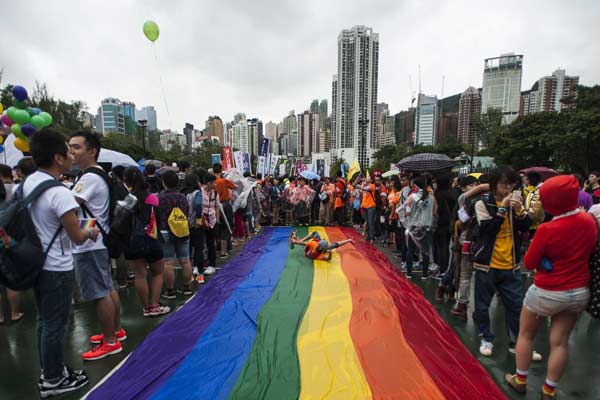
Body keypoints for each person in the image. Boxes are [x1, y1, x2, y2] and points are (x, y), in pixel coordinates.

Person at [505, 175, 597, 399]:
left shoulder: (547, 229)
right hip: (578, 292)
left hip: (547, 291)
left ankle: (520, 379)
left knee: (526, 335)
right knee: (560, 342)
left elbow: (528, 262)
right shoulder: (589, 221)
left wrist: (546, 260)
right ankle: (549, 389)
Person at [28, 129, 101, 397]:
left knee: (44, 323)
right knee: (56, 325)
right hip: (56, 267)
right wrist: (91, 231)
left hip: (35, 263)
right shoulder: (59, 192)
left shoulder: (29, 183)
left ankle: (51, 370)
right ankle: (54, 379)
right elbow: (76, 236)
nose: (72, 155)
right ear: (58, 157)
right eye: (68, 151)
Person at [471, 166, 540, 360]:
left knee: (516, 305)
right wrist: (502, 209)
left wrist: (519, 211)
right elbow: (487, 230)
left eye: (511, 185)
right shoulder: (483, 203)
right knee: (483, 305)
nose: (508, 189)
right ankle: (486, 337)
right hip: (487, 263)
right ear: (494, 185)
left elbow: (526, 225)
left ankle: (517, 342)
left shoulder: (515, 203)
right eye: (504, 185)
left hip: (511, 264)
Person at [68, 132, 125, 361]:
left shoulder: (89, 178)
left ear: (91, 151)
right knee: (107, 288)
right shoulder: (97, 174)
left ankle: (110, 342)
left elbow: (67, 204)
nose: (71, 152)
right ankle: (114, 331)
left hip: (90, 242)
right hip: (98, 239)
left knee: (100, 293)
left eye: (76, 147)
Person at [122, 167, 170, 317]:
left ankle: (146, 308)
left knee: (139, 275)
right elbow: (158, 218)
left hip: (133, 241)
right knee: (157, 273)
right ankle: (155, 305)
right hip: (151, 239)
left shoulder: (128, 199)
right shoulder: (152, 198)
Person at [158, 170, 193, 299]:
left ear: (163, 182)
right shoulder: (183, 197)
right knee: (185, 260)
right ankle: (187, 288)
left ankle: (170, 291)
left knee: (168, 262)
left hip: (165, 231)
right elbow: (187, 212)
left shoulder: (160, 198)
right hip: (183, 230)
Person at [404, 176, 437, 279]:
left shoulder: (412, 197)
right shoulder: (431, 197)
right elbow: (434, 212)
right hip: (426, 226)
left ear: (415, 186)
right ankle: (425, 274)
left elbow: (407, 212)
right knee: (425, 250)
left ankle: (409, 273)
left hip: (413, 226)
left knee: (410, 249)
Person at [433, 175, 457, 275]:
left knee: (442, 247)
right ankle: (448, 269)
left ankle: (442, 269)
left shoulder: (439, 194)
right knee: (448, 247)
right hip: (452, 222)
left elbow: (437, 210)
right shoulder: (454, 193)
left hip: (441, 223)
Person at [213, 164, 235, 259]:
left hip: (213, 206)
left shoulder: (211, 182)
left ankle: (216, 249)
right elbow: (234, 186)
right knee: (226, 227)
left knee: (216, 227)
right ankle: (223, 251)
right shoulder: (224, 181)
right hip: (225, 205)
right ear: (221, 171)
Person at [200, 173, 220, 274]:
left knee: (211, 243)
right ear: (208, 183)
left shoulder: (215, 194)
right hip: (201, 222)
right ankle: (200, 264)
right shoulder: (199, 193)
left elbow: (217, 206)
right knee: (200, 244)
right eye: (214, 183)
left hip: (212, 221)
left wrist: (217, 219)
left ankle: (212, 264)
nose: (215, 185)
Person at [289, 230, 354, 261]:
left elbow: (303, 244)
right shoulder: (321, 252)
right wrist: (330, 253)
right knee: (334, 245)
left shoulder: (315, 246)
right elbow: (329, 259)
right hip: (313, 249)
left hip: (310, 250)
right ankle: (348, 240)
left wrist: (296, 242)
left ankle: (295, 241)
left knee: (315, 233)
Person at [361, 177, 377, 242]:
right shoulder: (364, 185)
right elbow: (354, 185)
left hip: (371, 206)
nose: (367, 178)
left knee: (371, 222)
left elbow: (363, 188)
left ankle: (372, 237)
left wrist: (363, 182)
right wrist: (359, 177)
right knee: (367, 222)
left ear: (371, 180)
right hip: (364, 206)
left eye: (368, 178)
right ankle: (368, 236)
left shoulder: (372, 186)